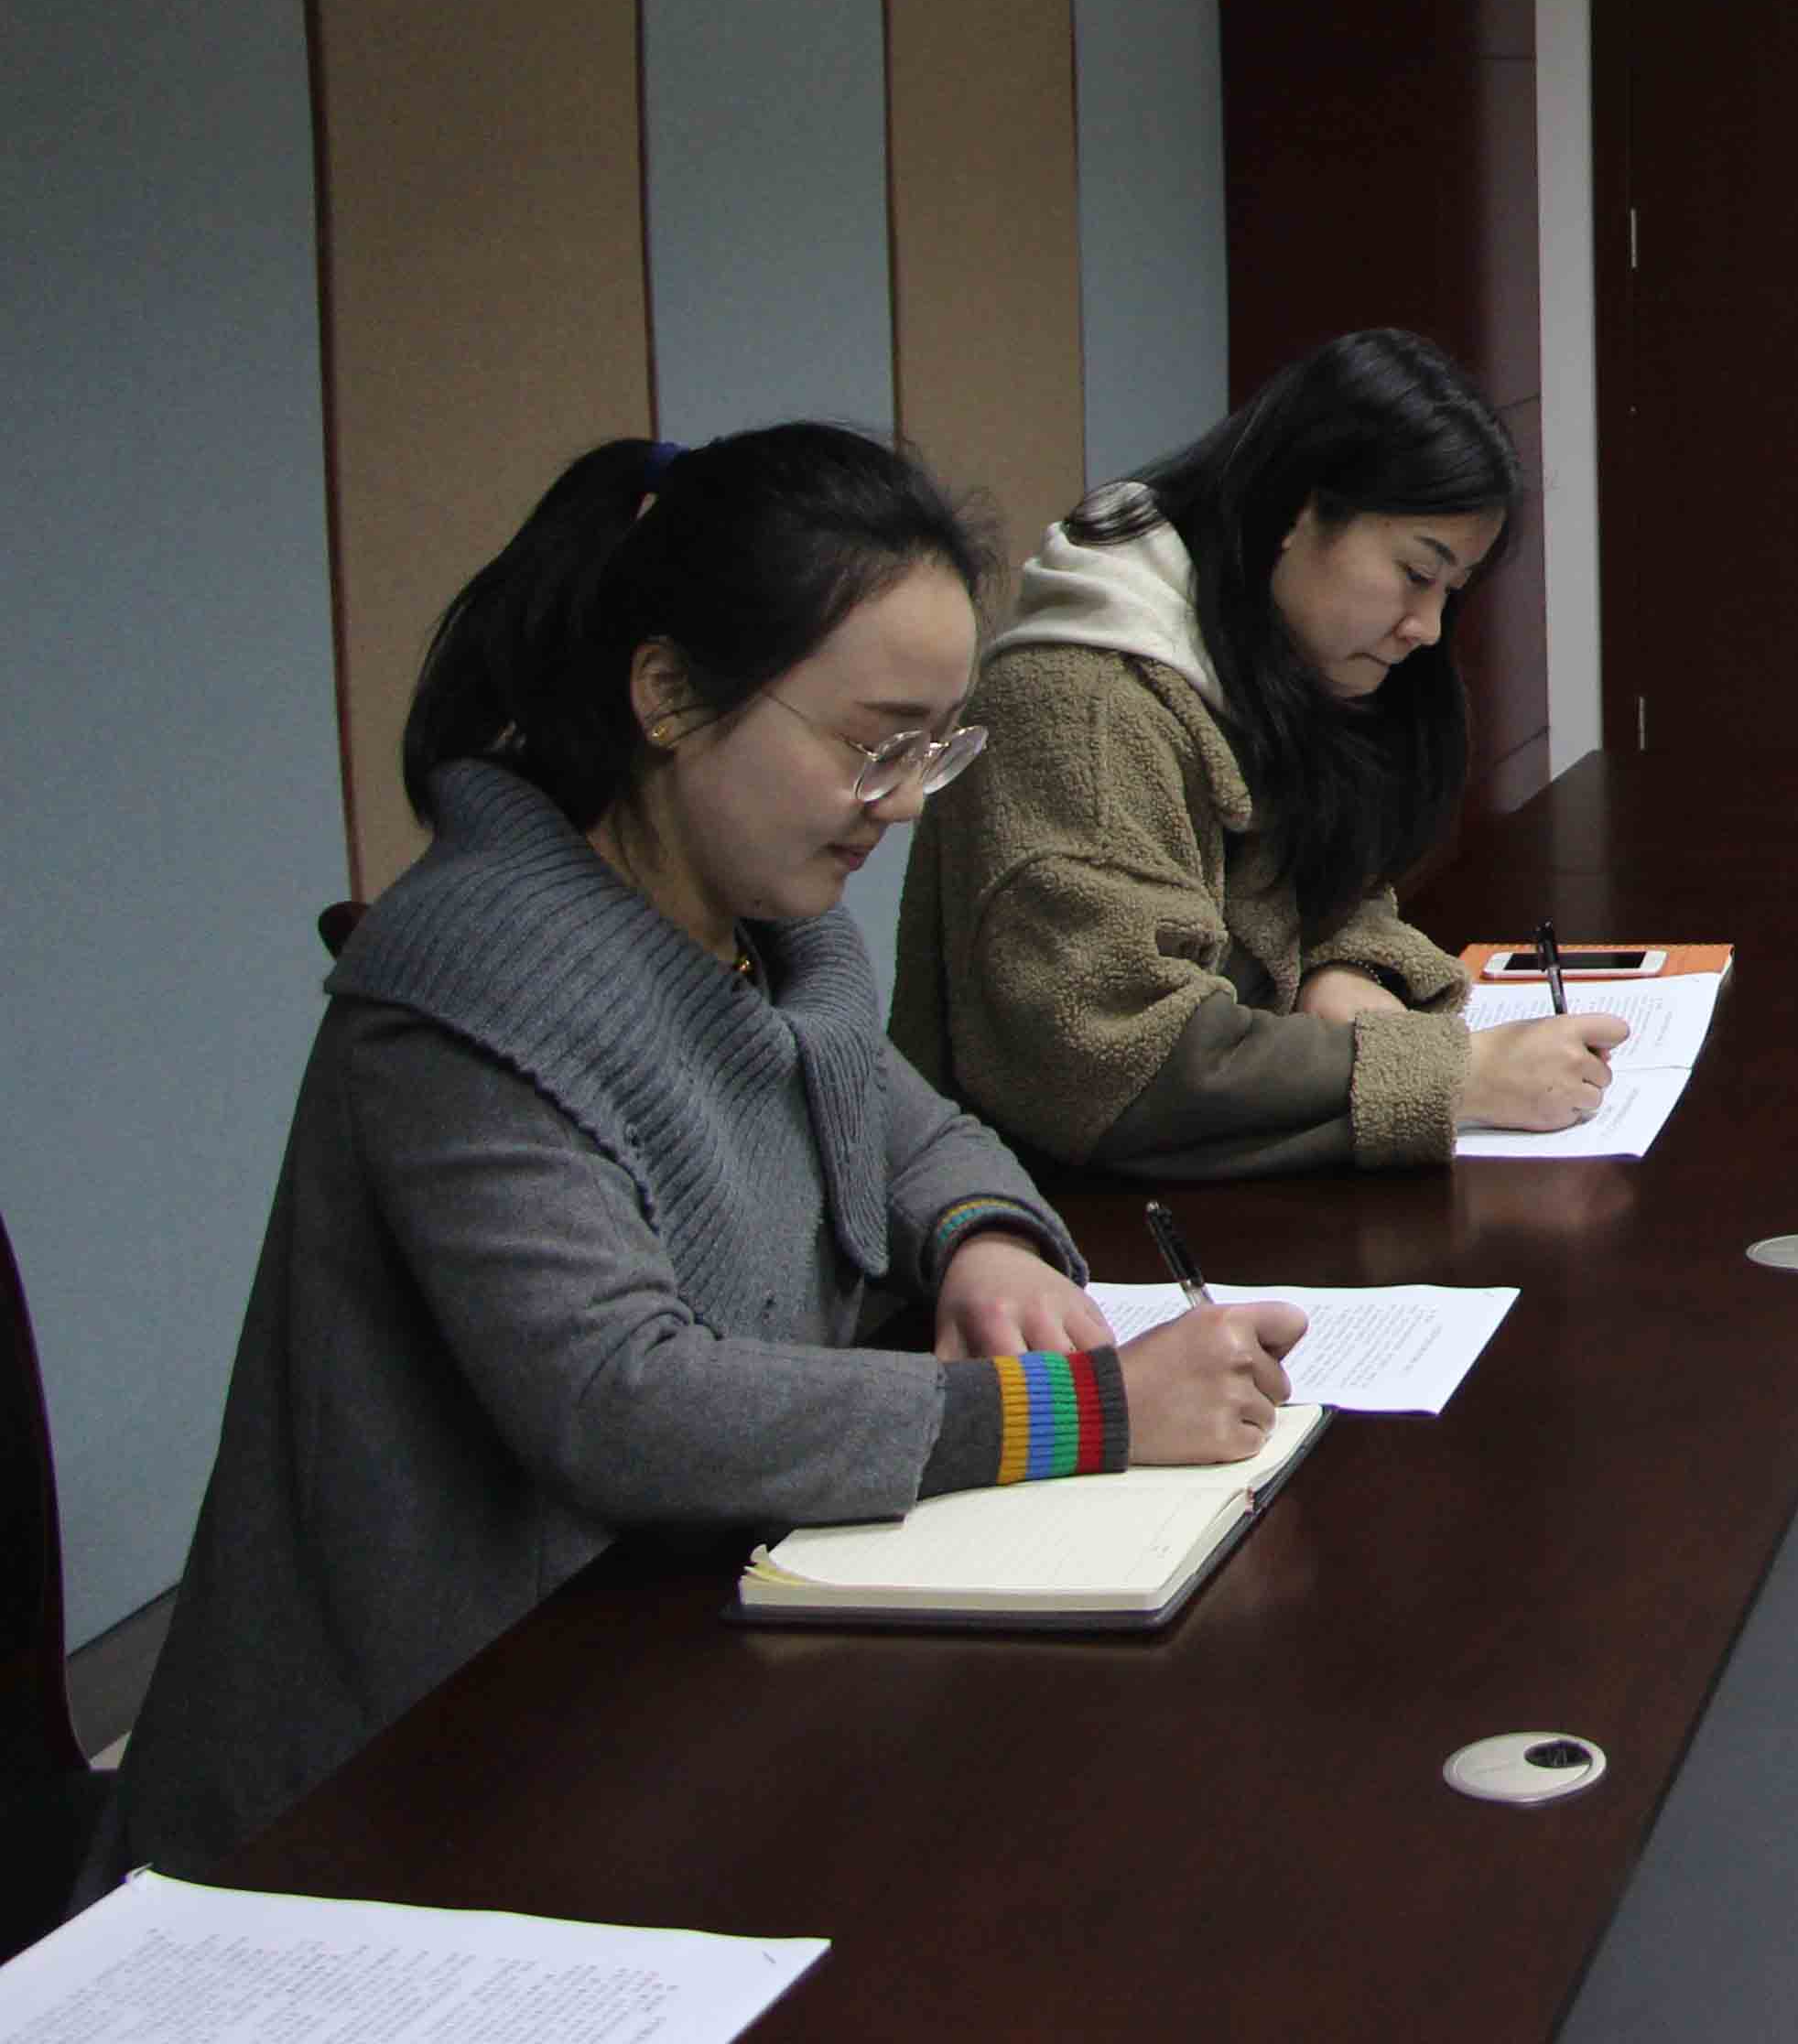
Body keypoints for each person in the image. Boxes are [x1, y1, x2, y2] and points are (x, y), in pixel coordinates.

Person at [105, 427, 1301, 1882]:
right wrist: (1087, 1413)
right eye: (872, 744)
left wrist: (982, 1235)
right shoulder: (472, 992)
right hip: (405, 1786)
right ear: (668, 694)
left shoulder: (763, 925)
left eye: (935, 746)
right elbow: (621, 1401)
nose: (906, 801)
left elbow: (911, 1126)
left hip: (666, 1658)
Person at [894, 330, 1618, 1176]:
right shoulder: (1085, 707)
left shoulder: (1262, 653)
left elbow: (1313, 892)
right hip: (1061, 1227)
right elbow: (1119, 1062)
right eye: (1417, 574)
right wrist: (1462, 1075)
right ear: (1297, 513)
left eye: (1450, 593)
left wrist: (1338, 970)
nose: (1426, 629)